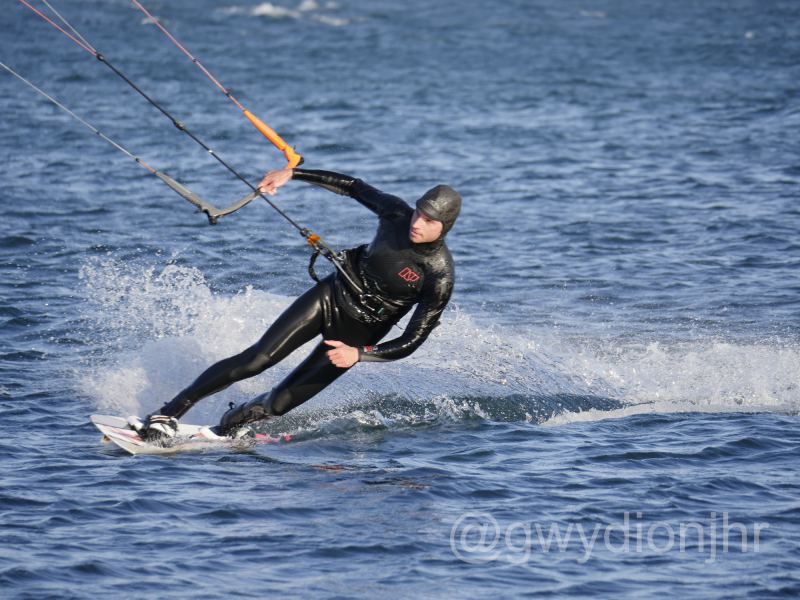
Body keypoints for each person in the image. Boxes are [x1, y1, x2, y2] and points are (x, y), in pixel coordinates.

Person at [132, 166, 461, 440]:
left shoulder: (438, 275)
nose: (417, 223)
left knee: (278, 404)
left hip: (357, 336)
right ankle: (168, 413)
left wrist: (359, 354)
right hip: (331, 297)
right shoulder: (396, 214)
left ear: (444, 227)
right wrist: (292, 174)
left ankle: (232, 424)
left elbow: (413, 340)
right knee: (256, 360)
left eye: (429, 221)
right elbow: (353, 186)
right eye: (418, 212)